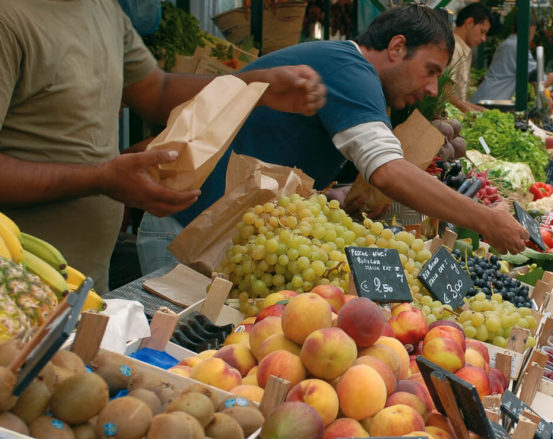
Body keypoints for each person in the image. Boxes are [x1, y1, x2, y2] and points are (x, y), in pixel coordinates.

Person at [137, 5, 529, 271]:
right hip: (185, 232)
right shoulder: (351, 71)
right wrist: (486, 221)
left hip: (209, 230)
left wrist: (333, 192)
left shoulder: (345, 65)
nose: (431, 88)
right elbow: (388, 172)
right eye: (429, 70)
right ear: (396, 48)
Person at [0, 0, 325, 292]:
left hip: (86, 280)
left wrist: (255, 88)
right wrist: (101, 178)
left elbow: (156, 90)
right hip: (17, 284)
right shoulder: (10, 19)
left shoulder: (103, 9)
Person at [470, 23, 553, 103]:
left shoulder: (508, 44)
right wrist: (552, 77)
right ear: (531, 29)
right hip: (491, 101)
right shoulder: (518, 46)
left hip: (486, 97)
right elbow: (540, 80)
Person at [447, 2, 491, 113]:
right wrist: (471, 111)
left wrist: (483, 111)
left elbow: (458, 98)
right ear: (470, 22)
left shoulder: (462, 48)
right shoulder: (454, 47)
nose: (483, 39)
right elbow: (444, 91)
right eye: (482, 31)